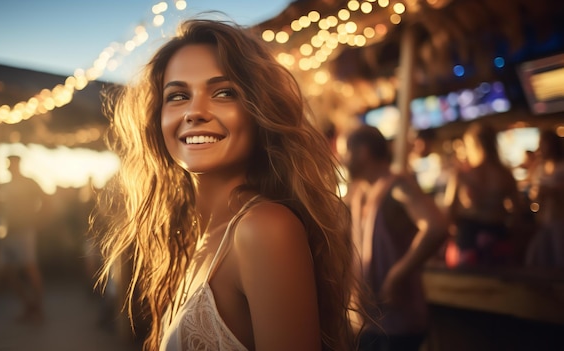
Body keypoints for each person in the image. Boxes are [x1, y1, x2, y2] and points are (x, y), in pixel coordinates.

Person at [95, 18, 372, 351]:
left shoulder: (264, 228)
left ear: (258, 112)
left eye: (224, 92)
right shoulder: (197, 234)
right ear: (158, 118)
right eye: (178, 95)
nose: (194, 112)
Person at [343, 125, 448, 351]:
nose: (343, 159)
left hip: (397, 321)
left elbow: (436, 227)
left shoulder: (398, 186)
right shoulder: (358, 191)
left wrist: (396, 275)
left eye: (346, 152)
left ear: (362, 152)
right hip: (366, 320)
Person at [443, 122, 523, 267]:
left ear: (472, 145)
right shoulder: (506, 175)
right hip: (498, 232)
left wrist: (452, 232)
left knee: (469, 282)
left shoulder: (463, 174)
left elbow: (449, 209)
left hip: (468, 234)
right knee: (500, 282)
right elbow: (517, 211)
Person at [0, 155, 45, 324]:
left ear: (17, 164)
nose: (9, 167)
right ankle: (28, 305)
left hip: (24, 229)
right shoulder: (5, 185)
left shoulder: (29, 183)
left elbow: (46, 201)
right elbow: (0, 206)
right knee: (7, 270)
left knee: (29, 266)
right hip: (9, 231)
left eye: (11, 163)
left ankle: (37, 305)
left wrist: (37, 218)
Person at [525, 129, 564, 268]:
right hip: (543, 220)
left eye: (544, 143)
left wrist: (552, 191)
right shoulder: (539, 168)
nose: (541, 147)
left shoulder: (561, 167)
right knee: (538, 257)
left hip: (560, 219)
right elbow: (533, 193)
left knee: (560, 257)